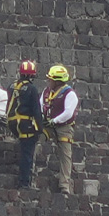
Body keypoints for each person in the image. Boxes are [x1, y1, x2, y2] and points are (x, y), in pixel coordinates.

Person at [40, 64, 79, 194]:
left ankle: (64, 185)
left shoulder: (70, 94)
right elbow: (40, 105)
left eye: (50, 79)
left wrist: (54, 121)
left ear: (57, 81)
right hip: (48, 125)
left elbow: (68, 112)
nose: (48, 81)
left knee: (65, 154)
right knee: (35, 140)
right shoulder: (46, 92)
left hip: (64, 127)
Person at [5, 61, 44, 189]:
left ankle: (23, 180)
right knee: (27, 153)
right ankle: (24, 182)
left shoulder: (11, 86)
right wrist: (40, 129)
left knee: (24, 149)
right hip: (25, 124)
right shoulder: (32, 89)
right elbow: (36, 110)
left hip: (12, 122)